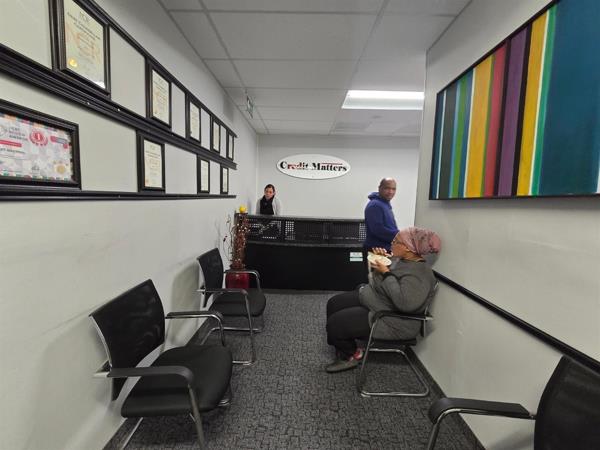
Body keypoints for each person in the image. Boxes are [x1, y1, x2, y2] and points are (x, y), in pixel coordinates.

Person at [325, 227, 441, 373]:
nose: (392, 243)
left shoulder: (420, 274)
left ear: (408, 248)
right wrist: (379, 265)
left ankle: (349, 356)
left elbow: (405, 304)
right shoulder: (402, 261)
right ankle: (343, 344)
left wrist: (386, 272)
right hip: (376, 301)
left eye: (396, 241)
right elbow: (378, 284)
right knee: (334, 304)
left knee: (336, 323)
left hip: (392, 321)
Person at [364, 178, 399, 253]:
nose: (390, 192)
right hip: (377, 252)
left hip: (385, 250)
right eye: (387, 188)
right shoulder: (375, 205)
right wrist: (401, 236)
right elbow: (378, 230)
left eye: (393, 189)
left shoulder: (384, 204)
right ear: (380, 188)